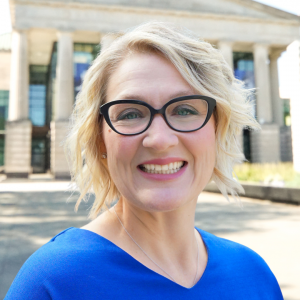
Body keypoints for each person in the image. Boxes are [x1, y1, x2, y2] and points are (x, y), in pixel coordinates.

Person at [5, 22, 283, 299]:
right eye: (130, 114)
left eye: (185, 110)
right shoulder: (52, 282)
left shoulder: (253, 275)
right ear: (101, 139)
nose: (160, 139)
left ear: (217, 128)